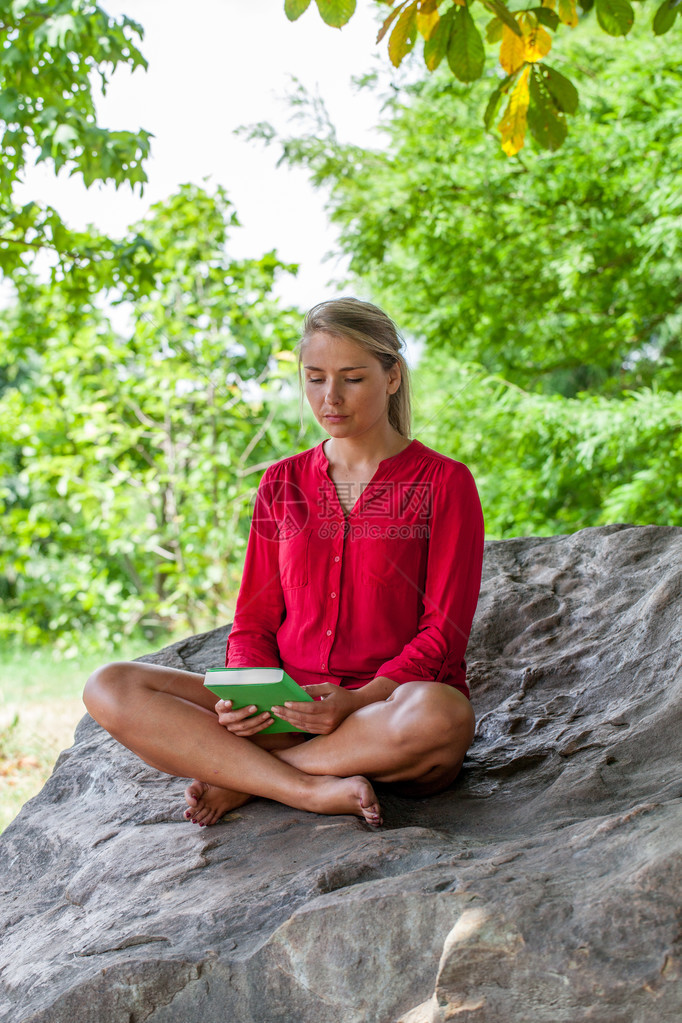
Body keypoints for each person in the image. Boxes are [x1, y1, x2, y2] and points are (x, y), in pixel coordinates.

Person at [83, 297, 485, 828]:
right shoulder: (282, 483)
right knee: (109, 685)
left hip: (383, 713)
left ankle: (246, 778)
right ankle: (301, 787)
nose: (330, 397)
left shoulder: (443, 483)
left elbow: (443, 635)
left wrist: (353, 701)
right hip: (285, 707)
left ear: (392, 378)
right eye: (315, 378)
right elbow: (254, 619)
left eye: (352, 379)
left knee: (442, 717)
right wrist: (244, 694)